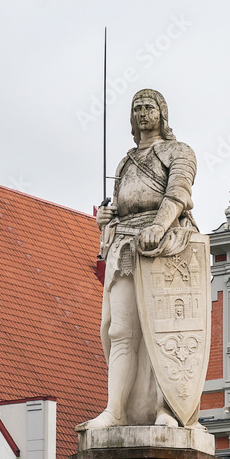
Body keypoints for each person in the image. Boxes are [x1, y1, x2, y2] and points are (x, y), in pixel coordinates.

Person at [87, 89, 200, 429]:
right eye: (136, 108)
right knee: (119, 329)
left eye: (149, 107)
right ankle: (115, 410)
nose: (142, 113)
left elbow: (179, 193)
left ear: (162, 114)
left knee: (163, 332)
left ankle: (167, 408)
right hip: (125, 244)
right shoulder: (125, 161)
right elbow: (121, 207)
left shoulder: (178, 151)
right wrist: (107, 220)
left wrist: (158, 226)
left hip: (164, 245)